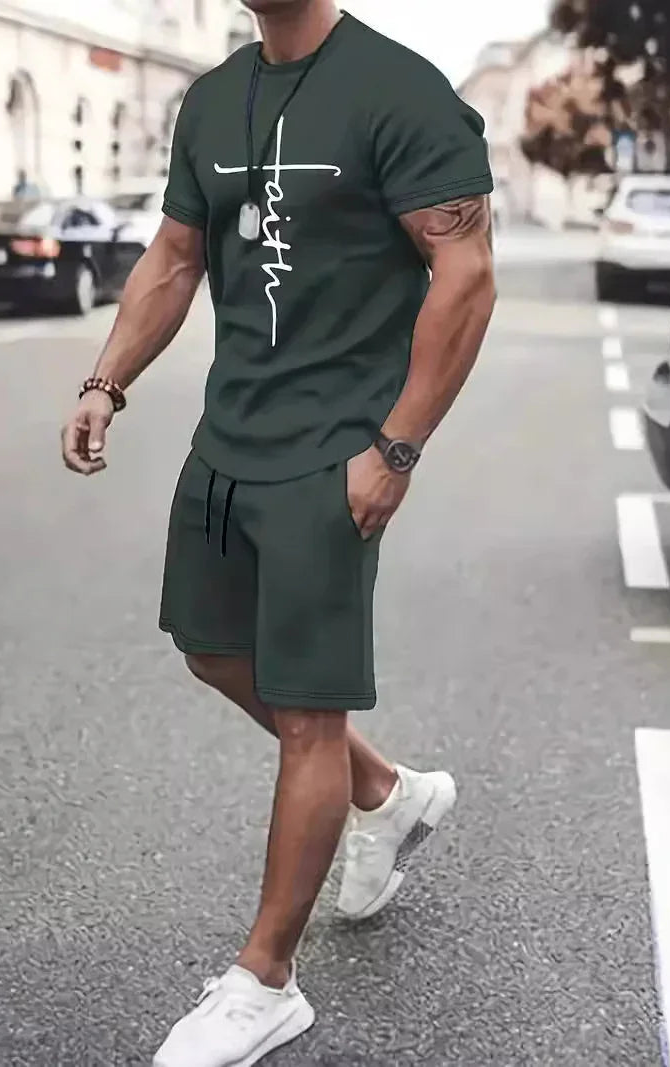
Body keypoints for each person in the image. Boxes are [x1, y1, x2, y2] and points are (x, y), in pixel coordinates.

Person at [61, 1, 496, 1063]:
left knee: (306, 710)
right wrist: (105, 379)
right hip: (227, 439)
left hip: (332, 449)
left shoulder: (400, 92)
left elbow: (466, 273)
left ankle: (265, 981)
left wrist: (393, 445)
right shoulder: (212, 98)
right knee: (211, 650)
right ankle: (385, 793)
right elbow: (172, 257)